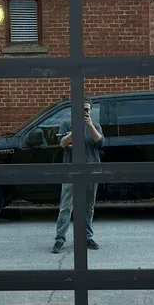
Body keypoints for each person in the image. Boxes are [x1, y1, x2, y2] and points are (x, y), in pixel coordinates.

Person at [52, 100, 103, 254]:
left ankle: (87, 237)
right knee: (66, 208)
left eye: (87, 110)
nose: (85, 112)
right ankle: (59, 239)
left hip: (91, 172)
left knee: (88, 207)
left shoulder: (96, 126)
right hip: (71, 172)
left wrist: (89, 125)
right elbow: (62, 143)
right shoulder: (67, 125)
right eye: (82, 110)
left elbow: (100, 142)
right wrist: (77, 129)